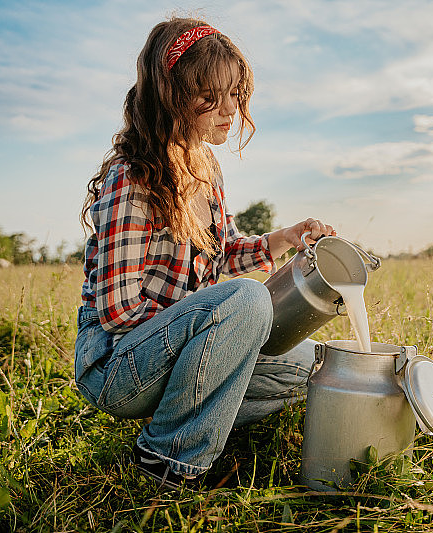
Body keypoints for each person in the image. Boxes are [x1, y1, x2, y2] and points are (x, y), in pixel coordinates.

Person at [74, 17, 335, 491]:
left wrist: (285, 238)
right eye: (210, 97)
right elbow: (118, 312)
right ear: (172, 95)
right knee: (249, 302)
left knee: (314, 367)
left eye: (235, 95)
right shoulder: (133, 178)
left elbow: (222, 254)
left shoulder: (206, 167)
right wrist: (212, 333)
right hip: (117, 365)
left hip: (171, 349)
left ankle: (192, 419)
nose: (229, 110)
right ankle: (167, 459)